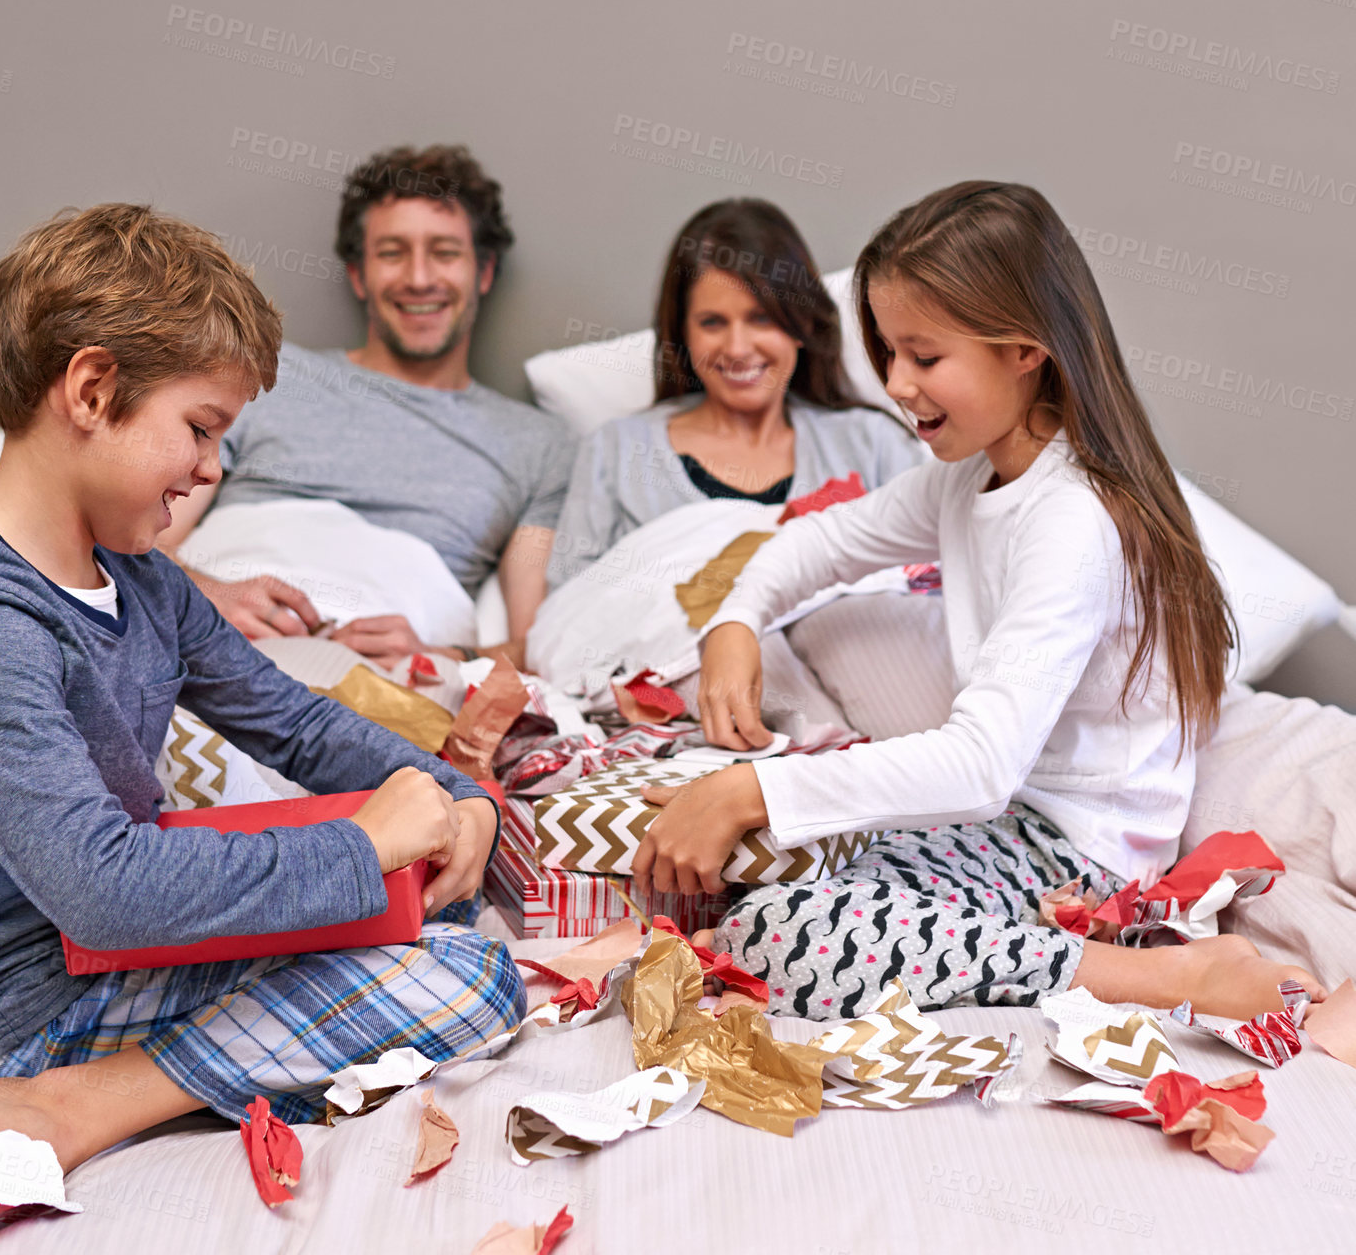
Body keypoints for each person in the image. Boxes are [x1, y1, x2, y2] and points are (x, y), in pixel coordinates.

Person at [0, 205, 525, 1248]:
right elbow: (102, 888)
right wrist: (361, 843)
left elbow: (298, 727)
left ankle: (145, 1077)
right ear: (91, 391)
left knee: (439, 921)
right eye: (199, 426)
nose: (209, 466)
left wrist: (461, 795)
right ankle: (81, 1100)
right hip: (33, 1000)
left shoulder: (142, 578)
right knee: (471, 978)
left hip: (117, 952)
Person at [629, 182, 1323, 1023]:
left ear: (1024, 350)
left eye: (923, 358)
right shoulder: (971, 478)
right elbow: (822, 542)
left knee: (779, 935)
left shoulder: (1072, 518)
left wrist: (753, 789)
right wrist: (736, 621)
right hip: (998, 830)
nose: (894, 384)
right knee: (749, 872)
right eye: (886, 354)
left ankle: (1171, 977)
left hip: (1077, 856)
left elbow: (983, 764)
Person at [159, 144, 575, 669]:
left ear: (484, 272)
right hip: (211, 633)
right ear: (359, 274)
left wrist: (439, 656)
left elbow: (539, 650)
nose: (419, 277)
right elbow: (142, 539)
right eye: (393, 252)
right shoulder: (267, 374)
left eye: (445, 252)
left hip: (384, 676)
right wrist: (207, 595)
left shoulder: (539, 444)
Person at [547, 198, 922, 589]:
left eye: (761, 318)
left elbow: (933, 583)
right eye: (712, 323)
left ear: (801, 324)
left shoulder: (873, 445)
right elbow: (568, 615)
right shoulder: (616, 451)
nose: (738, 348)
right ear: (683, 334)